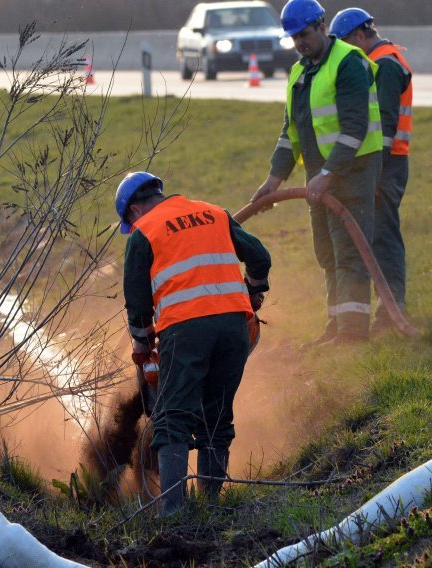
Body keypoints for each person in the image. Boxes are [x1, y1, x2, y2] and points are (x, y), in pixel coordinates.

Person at [115, 171, 271, 516]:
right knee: (217, 416)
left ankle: (174, 515)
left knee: (172, 417)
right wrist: (254, 289)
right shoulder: (213, 212)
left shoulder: (143, 232)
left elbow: (138, 303)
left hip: (185, 330)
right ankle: (211, 508)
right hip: (234, 327)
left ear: (133, 211)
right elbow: (259, 256)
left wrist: (142, 346)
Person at [251, 0, 382, 347]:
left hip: (351, 173)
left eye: (304, 34)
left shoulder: (348, 63)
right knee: (327, 253)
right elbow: (289, 134)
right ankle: (336, 326)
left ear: (322, 26)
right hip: (319, 177)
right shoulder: (299, 72)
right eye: (293, 38)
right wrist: (272, 181)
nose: (299, 42)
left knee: (349, 252)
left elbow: (355, 127)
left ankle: (353, 334)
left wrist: (328, 172)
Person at [330, 8, 412, 334]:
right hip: (383, 163)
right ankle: (386, 311)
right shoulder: (380, 60)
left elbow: (386, 126)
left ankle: (391, 314)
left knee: (384, 238)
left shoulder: (386, 65)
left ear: (361, 35)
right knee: (375, 236)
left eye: (349, 43)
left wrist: (375, 174)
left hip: (386, 165)